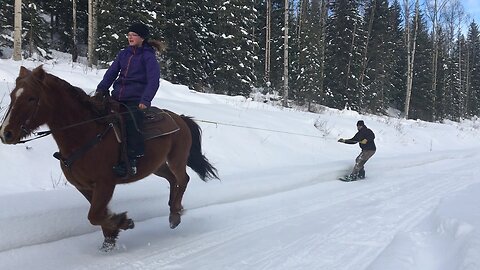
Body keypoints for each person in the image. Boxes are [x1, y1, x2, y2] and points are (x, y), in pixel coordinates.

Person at [95, 22, 163, 176]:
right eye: (129, 35)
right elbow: (111, 73)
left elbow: (153, 81)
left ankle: (131, 159)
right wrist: (101, 89)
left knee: (131, 121)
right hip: (116, 97)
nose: (130, 37)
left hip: (135, 100)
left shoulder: (148, 57)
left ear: (142, 38)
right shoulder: (123, 54)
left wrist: (145, 101)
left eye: (134, 35)